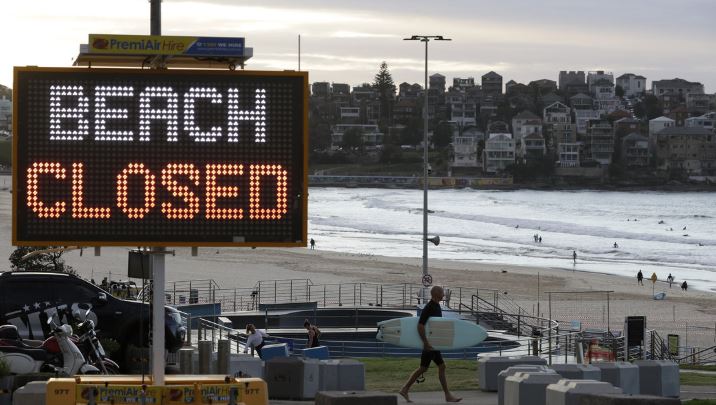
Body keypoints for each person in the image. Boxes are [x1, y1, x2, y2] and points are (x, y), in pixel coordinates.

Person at [399, 286, 462, 403]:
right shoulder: (429, 307)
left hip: (434, 343)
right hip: (430, 344)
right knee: (423, 368)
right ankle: (405, 388)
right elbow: (420, 325)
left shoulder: (437, 306)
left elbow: (435, 326)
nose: (443, 294)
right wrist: (426, 342)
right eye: (442, 292)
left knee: (439, 367)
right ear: (436, 294)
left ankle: (447, 395)